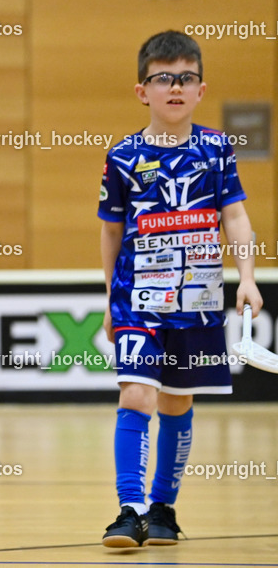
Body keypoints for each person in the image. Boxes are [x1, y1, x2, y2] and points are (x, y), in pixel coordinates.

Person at [98, 30, 262, 547]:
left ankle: (165, 508)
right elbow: (110, 228)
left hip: (197, 301)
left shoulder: (216, 150)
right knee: (138, 394)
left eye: (185, 77)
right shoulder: (122, 155)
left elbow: (234, 216)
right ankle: (130, 509)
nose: (174, 86)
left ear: (200, 89)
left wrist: (248, 278)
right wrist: (109, 298)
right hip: (136, 299)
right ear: (141, 90)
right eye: (162, 77)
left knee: (176, 403)